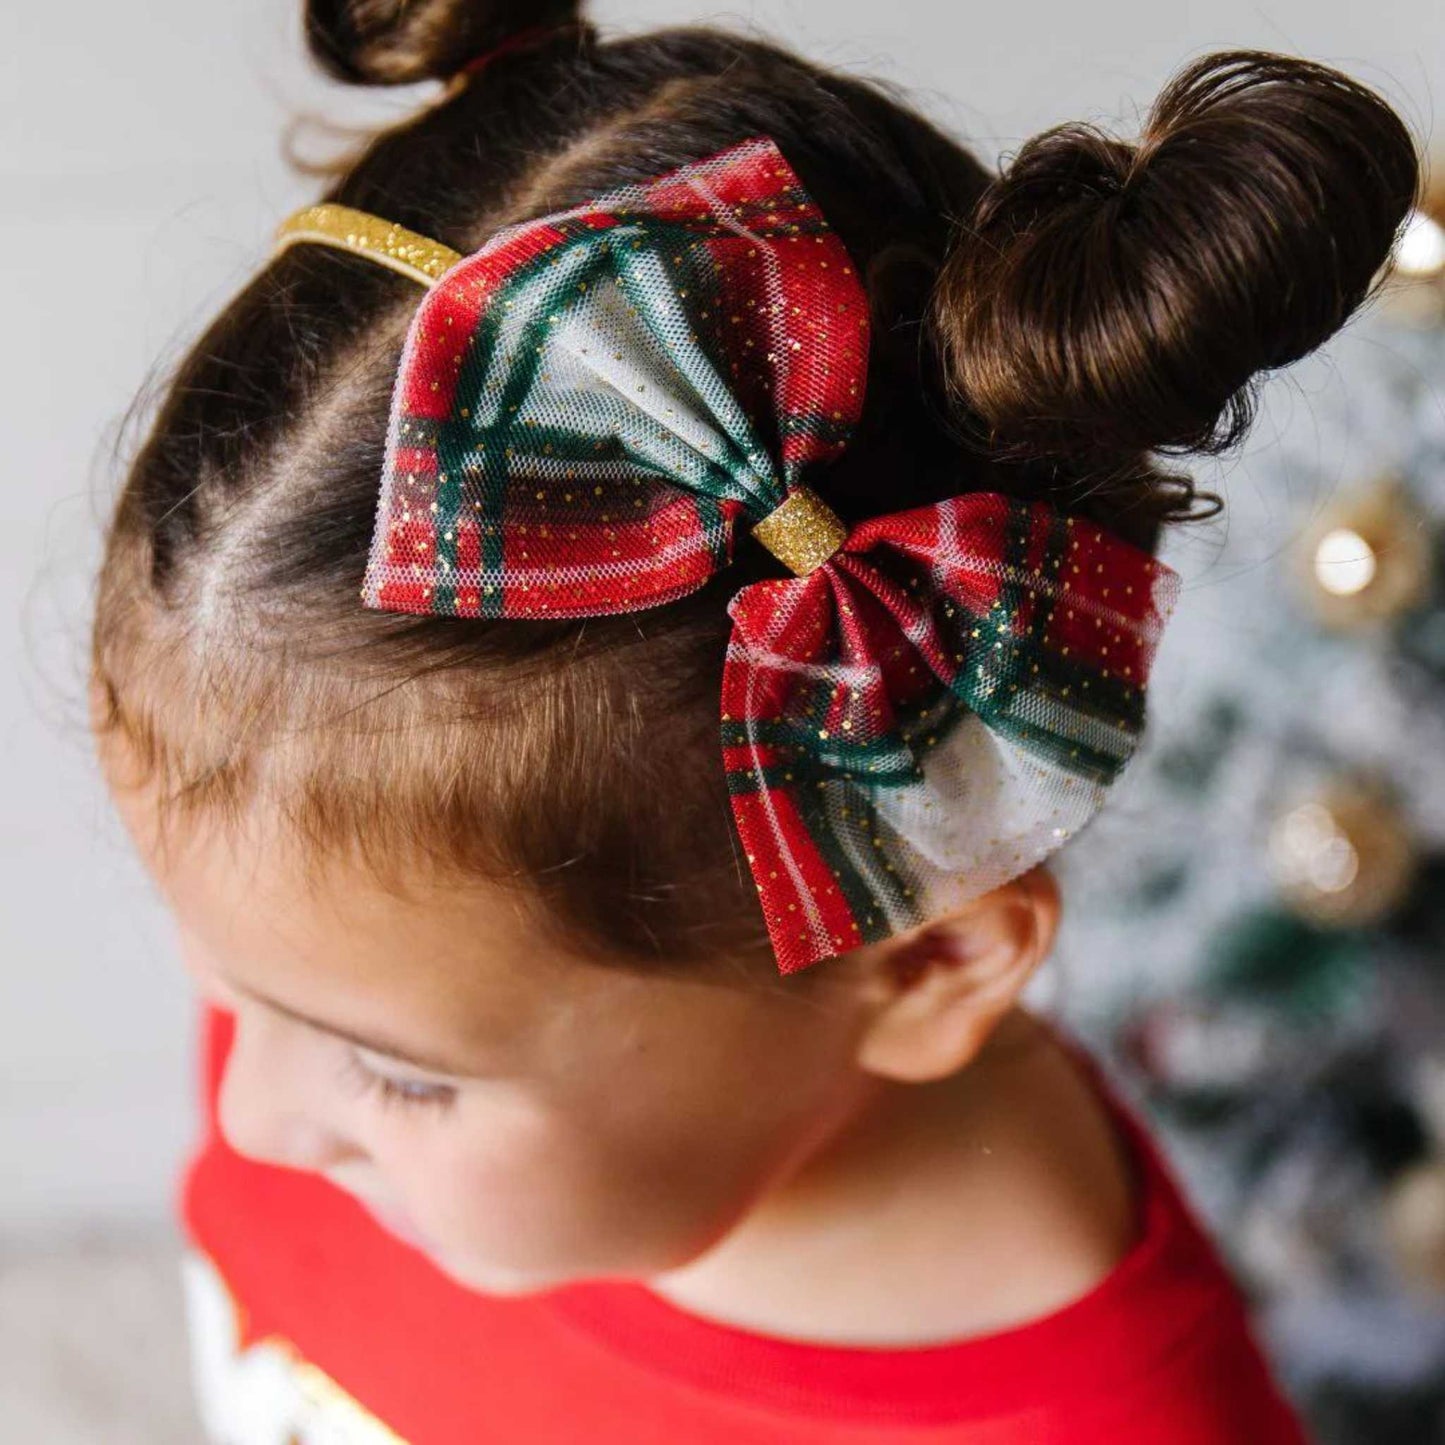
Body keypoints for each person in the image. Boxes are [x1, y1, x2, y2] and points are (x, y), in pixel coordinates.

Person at [88, 3, 1419, 1441]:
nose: (253, 1116)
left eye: (401, 1078)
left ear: (927, 965)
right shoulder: (355, 983)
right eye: (220, 971)